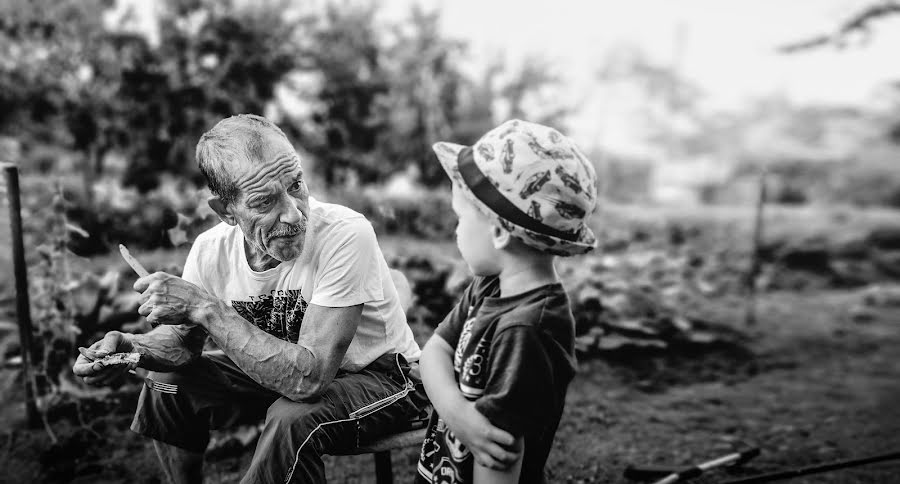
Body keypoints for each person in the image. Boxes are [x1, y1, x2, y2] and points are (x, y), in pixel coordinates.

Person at [72, 114, 427, 484]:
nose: (293, 213)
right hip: (281, 377)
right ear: (227, 211)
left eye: (296, 186)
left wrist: (204, 308)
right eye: (264, 202)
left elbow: (310, 379)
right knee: (168, 383)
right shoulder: (210, 250)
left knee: (293, 418)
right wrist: (131, 348)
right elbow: (181, 345)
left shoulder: (345, 233)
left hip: (384, 377)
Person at [415, 120, 598, 484]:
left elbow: (498, 458)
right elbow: (434, 351)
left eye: (461, 217)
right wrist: (461, 417)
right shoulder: (491, 286)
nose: (455, 230)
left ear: (498, 231)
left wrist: (462, 419)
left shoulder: (529, 329)